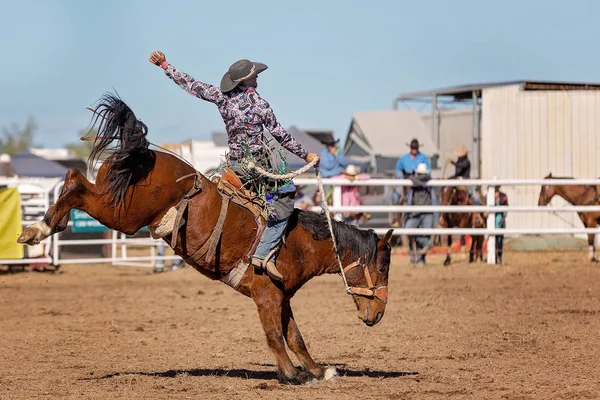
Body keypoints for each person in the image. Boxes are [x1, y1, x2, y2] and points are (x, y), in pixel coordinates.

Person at [149, 51, 319, 282]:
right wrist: (305, 154)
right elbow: (280, 135)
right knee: (286, 194)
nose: (257, 79)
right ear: (248, 80)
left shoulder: (222, 97)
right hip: (257, 167)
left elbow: (192, 85)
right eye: (255, 76)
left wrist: (166, 66)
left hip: (235, 165)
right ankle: (263, 252)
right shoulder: (260, 104)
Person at [391, 139, 431, 228]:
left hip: (420, 183)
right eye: (413, 147)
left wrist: (418, 180)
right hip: (406, 181)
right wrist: (402, 179)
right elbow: (398, 170)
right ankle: (396, 218)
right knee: (395, 196)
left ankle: (437, 221)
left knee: (434, 199)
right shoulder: (403, 158)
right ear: (410, 148)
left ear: (418, 148)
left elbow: (428, 173)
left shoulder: (423, 158)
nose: (414, 149)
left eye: (415, 147)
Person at [403, 163, 435, 264]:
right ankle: (428, 244)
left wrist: (415, 179)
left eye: (422, 174)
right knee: (409, 229)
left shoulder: (426, 179)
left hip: (426, 212)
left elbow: (416, 179)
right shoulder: (420, 181)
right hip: (416, 210)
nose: (421, 175)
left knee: (425, 233)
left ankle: (421, 259)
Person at [494, 185, 508, 264]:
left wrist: (503, 217)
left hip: (500, 222)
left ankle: (499, 256)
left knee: (499, 240)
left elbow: (505, 207)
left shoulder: (503, 196)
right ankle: (495, 256)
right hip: (493, 221)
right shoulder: (490, 197)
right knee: (493, 240)